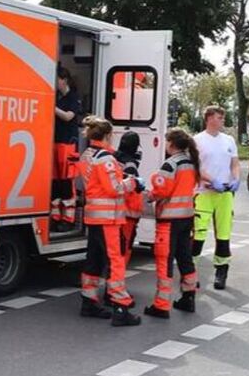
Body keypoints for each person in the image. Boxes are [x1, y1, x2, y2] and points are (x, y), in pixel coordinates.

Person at [77, 116, 141, 326]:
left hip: (93, 216)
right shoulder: (106, 158)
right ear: (107, 135)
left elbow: (86, 183)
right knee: (115, 261)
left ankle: (89, 301)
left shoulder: (87, 155)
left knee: (93, 260)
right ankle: (120, 307)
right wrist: (133, 182)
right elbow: (115, 188)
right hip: (108, 219)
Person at [143, 128, 200, 318]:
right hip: (186, 218)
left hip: (169, 220)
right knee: (185, 258)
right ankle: (188, 297)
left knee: (164, 261)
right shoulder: (191, 163)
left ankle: (161, 305)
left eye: (167, 141)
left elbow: (162, 191)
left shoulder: (170, 164)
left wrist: (149, 196)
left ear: (171, 144)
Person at [193, 105, 240, 290]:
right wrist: (212, 180)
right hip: (204, 192)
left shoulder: (229, 140)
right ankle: (191, 271)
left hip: (225, 193)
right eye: (219, 117)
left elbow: (234, 163)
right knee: (198, 233)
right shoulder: (197, 140)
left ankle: (221, 271)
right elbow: (196, 167)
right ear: (209, 118)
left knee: (223, 234)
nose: (222, 120)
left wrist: (236, 178)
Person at [50, 66, 82, 228]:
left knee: (66, 181)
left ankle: (68, 220)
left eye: (57, 79)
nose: (55, 83)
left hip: (67, 143)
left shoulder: (73, 98)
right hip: (55, 141)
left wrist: (51, 107)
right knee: (55, 180)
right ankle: (55, 217)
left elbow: (68, 116)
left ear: (64, 80)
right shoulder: (57, 97)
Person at [115, 131, 143, 262]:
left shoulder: (113, 157)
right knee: (124, 246)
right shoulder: (130, 164)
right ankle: (118, 275)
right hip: (128, 213)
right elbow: (132, 187)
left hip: (114, 210)